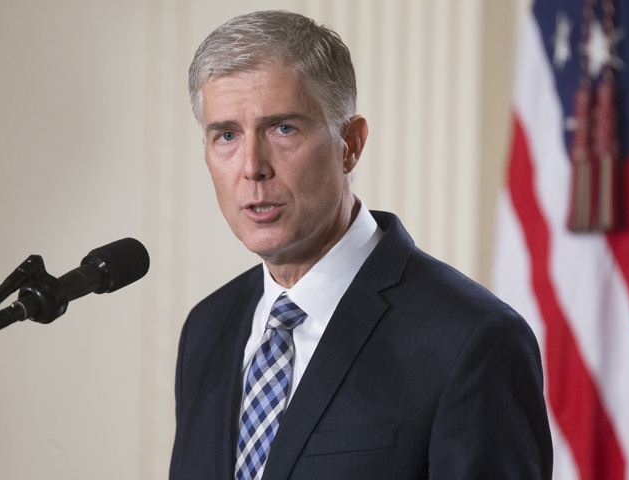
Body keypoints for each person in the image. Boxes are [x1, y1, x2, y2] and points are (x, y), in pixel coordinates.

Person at [170, 10, 552, 480]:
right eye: (226, 135)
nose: (252, 166)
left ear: (350, 144)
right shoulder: (207, 328)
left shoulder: (472, 339)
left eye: (282, 129)